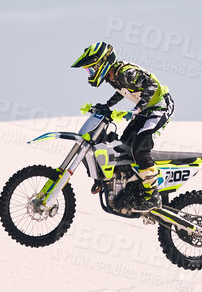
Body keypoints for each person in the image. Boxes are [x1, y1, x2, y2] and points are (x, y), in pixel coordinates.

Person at [70, 42, 173, 211]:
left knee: (140, 147)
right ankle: (128, 186)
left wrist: (136, 109)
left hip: (160, 107)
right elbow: (122, 92)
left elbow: (152, 86)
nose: (91, 73)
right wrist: (107, 105)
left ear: (101, 62)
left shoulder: (126, 72)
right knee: (124, 146)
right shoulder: (113, 76)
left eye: (91, 69)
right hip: (145, 109)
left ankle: (153, 195)